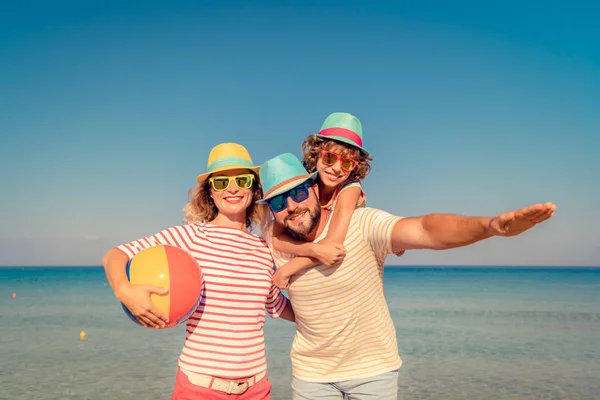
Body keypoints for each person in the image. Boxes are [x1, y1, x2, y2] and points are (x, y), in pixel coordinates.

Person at [258, 152, 556, 400]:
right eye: (279, 202)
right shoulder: (275, 243)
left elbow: (426, 229)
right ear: (272, 211)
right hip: (312, 377)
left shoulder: (361, 224)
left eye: (297, 193)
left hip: (373, 373)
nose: (292, 207)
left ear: (314, 188)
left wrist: (488, 226)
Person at [102, 142, 295, 400]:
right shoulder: (190, 237)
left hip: (256, 389)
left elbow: (275, 304)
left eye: (242, 180)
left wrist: (322, 319)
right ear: (210, 193)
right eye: (221, 182)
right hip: (199, 389)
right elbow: (114, 255)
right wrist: (124, 290)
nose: (233, 188)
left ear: (253, 188)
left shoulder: (262, 248)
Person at [270, 112, 371, 289]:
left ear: (356, 166)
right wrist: (311, 250)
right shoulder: (303, 188)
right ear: (315, 153)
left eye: (347, 163)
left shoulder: (350, 189)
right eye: (330, 158)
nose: (337, 169)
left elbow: (333, 244)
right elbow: (277, 238)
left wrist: (286, 271)